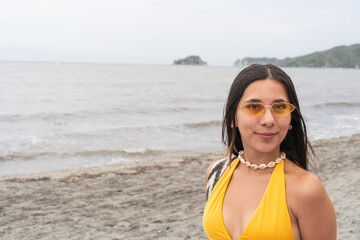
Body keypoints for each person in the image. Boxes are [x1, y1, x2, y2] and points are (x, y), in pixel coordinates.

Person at [203, 64, 336, 240]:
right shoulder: (216, 173)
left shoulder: (306, 189)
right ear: (233, 117)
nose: (268, 120)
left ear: (291, 118)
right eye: (253, 107)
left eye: (280, 107)